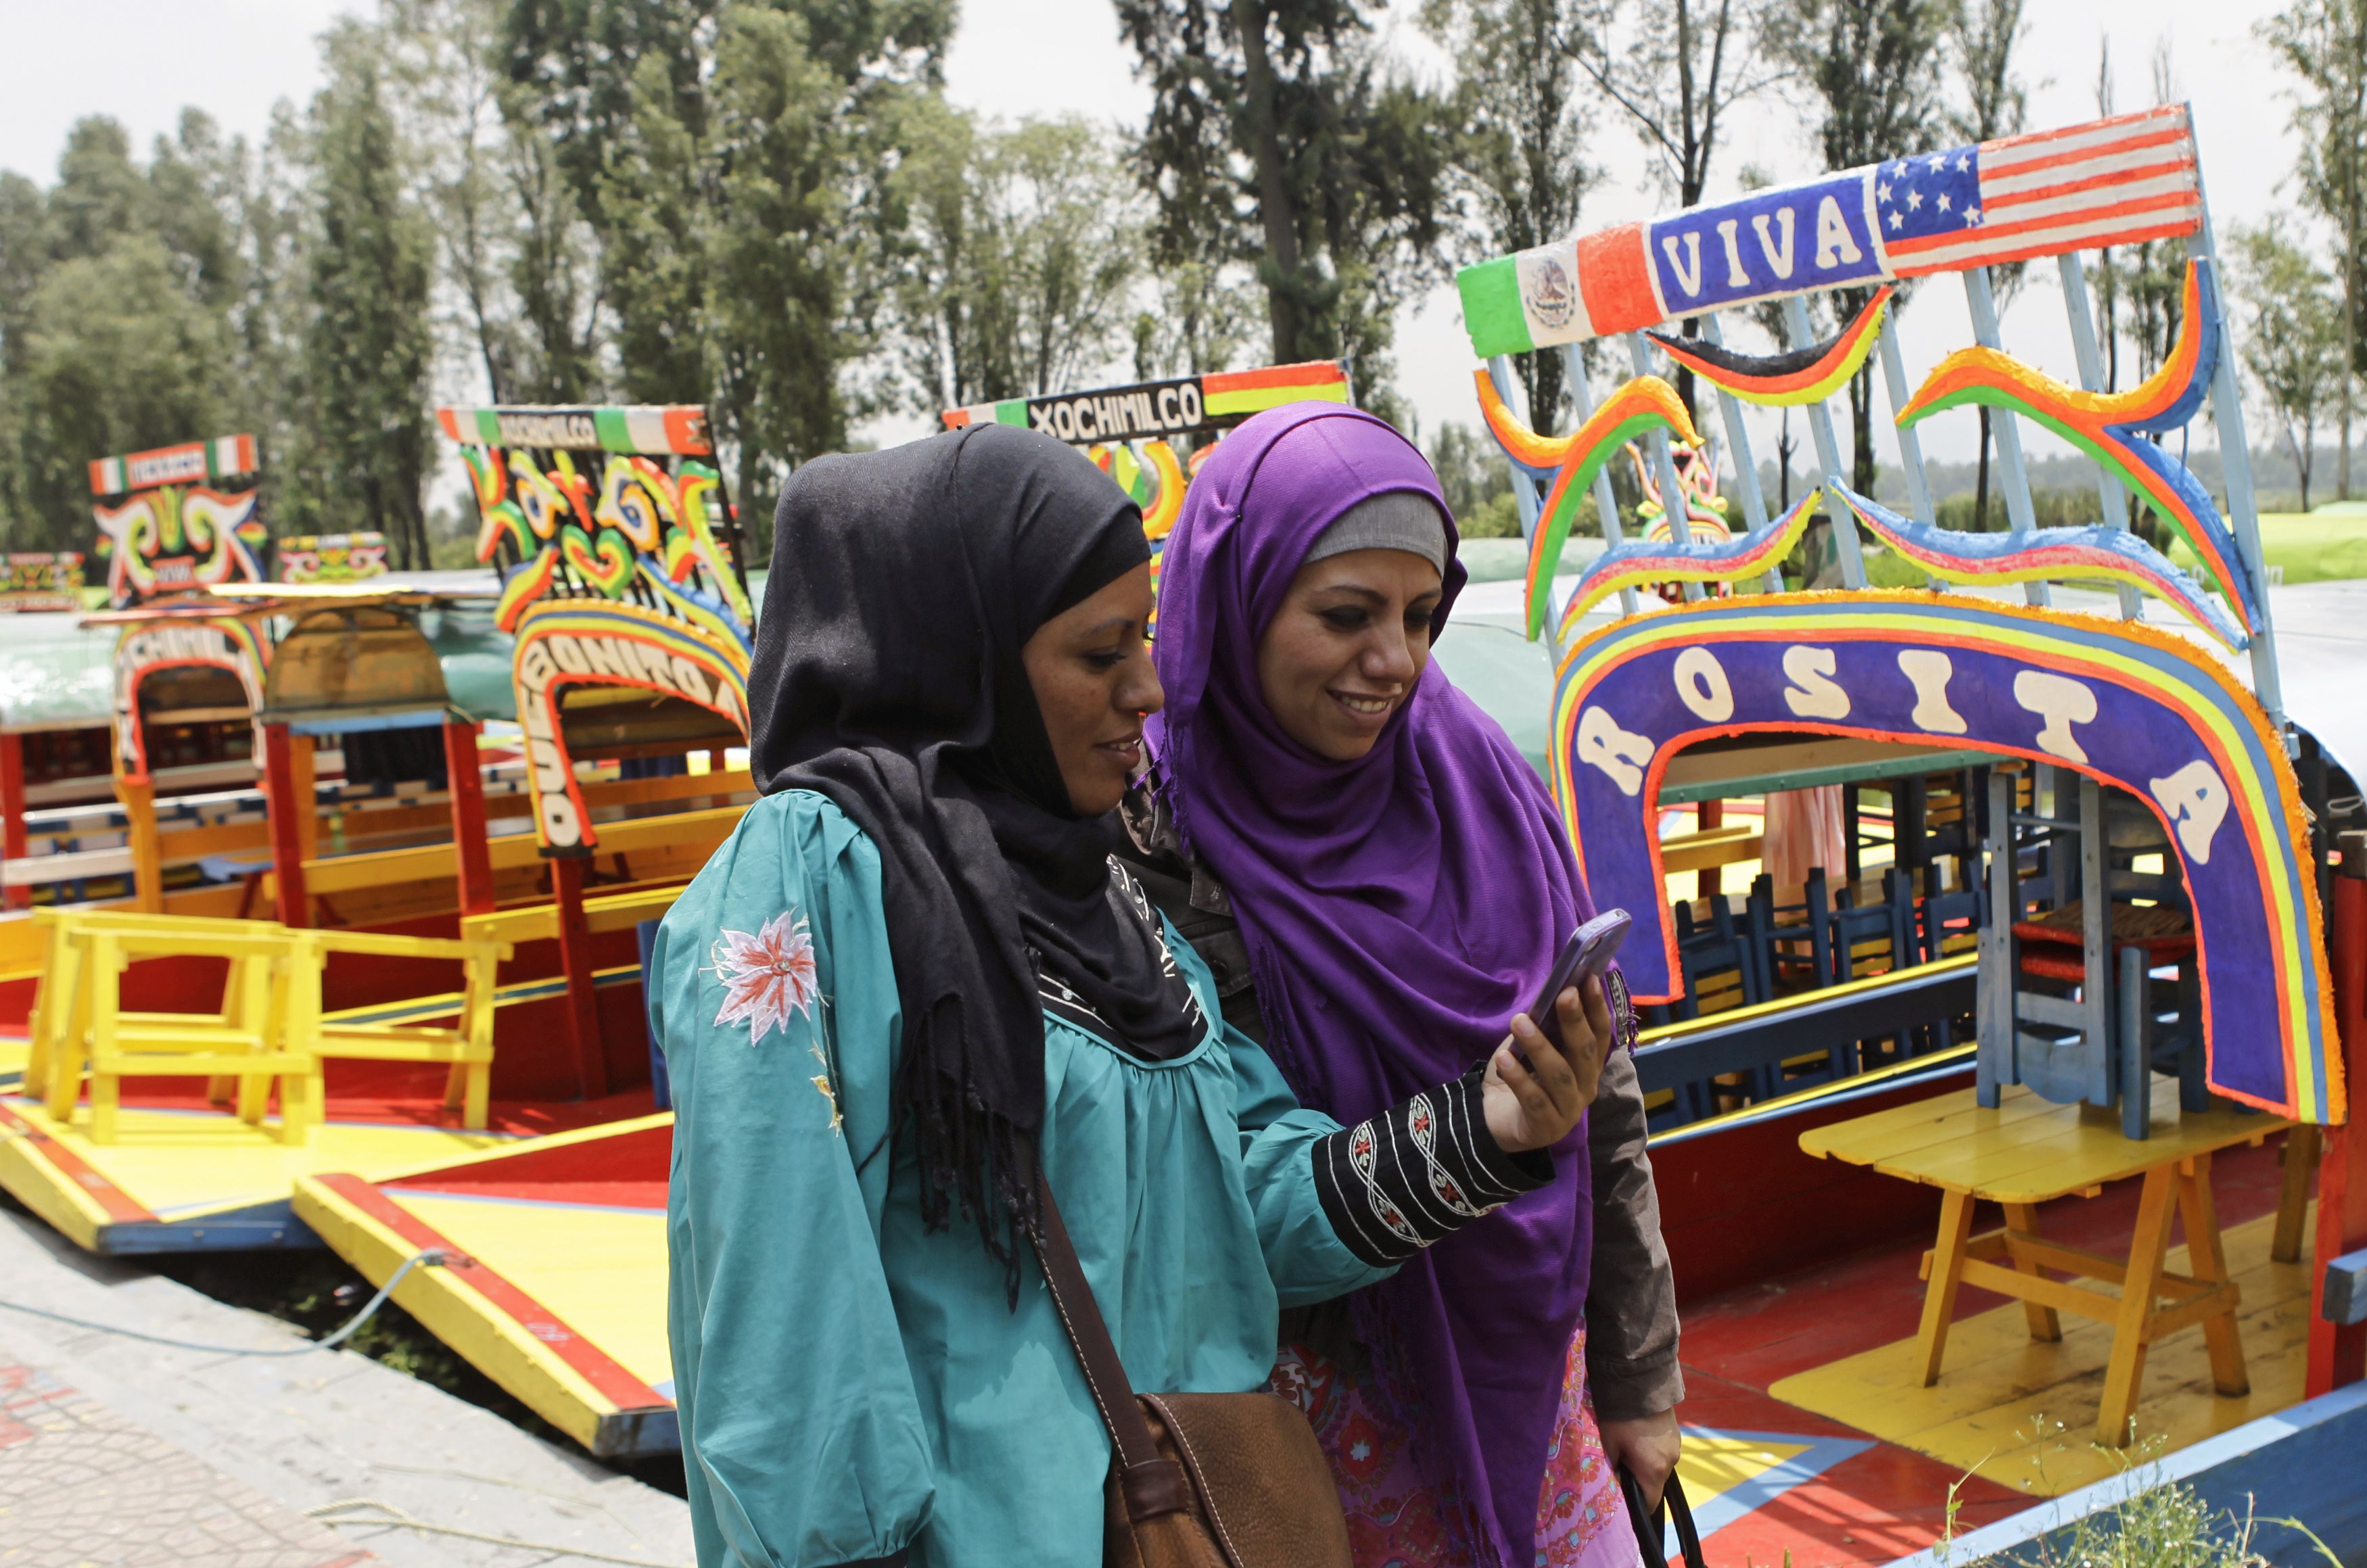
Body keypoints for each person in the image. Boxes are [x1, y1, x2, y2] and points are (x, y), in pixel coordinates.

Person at [652, 423, 1619, 1568]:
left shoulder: (1110, 897)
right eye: (1101, 653)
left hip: (1172, 1521)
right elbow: (780, 1311)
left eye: (1147, 641)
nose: (1149, 688)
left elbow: (1243, 1205)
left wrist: (1492, 1128)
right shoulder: (818, 877)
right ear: (972, 659)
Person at [1123, 404, 1685, 1568]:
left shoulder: (1476, 780)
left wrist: (1637, 1374)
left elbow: (1600, 1091)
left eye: (1422, 615)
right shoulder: (1150, 836)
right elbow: (1208, 1175)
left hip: (1534, 1378)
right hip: (1311, 1423)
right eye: (1346, 615)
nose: (1396, 661)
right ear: (1237, 598)